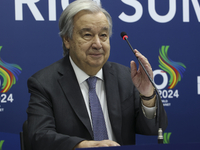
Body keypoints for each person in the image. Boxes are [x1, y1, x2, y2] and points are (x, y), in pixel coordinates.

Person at [26, 0, 168, 150]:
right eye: (87, 35)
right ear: (67, 39)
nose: (98, 44)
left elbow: (154, 129)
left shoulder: (126, 77)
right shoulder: (44, 83)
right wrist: (82, 146)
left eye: (103, 35)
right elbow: (39, 136)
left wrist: (147, 94)